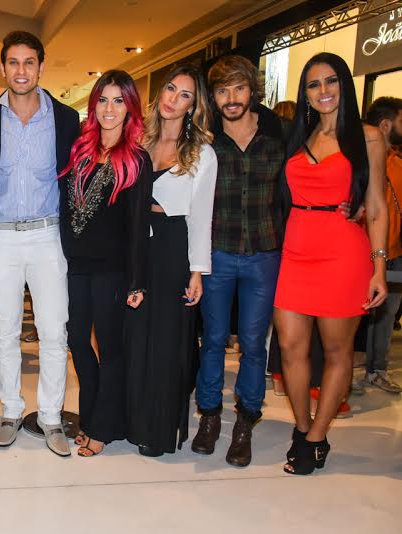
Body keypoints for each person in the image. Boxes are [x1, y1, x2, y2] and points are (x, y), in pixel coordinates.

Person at [275, 53, 388, 475]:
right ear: (304, 93)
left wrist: (379, 268)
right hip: (295, 249)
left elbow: (376, 207)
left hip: (343, 252)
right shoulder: (297, 136)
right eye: (313, 84)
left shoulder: (368, 137)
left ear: (345, 85)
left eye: (331, 81)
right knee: (290, 346)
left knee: (338, 351)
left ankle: (317, 437)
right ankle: (303, 426)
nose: (323, 91)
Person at [0, 31, 80, 457]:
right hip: (0, 236)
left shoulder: (66, 118)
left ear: (41, 66)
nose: (21, 71)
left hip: (48, 235)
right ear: (3, 68)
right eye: (13, 62)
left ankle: (50, 416)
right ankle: (11, 410)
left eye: (29, 62)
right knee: (6, 331)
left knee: (54, 330)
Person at [193, 55, 284, 467]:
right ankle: (210, 416)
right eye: (222, 90)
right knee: (213, 339)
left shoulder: (277, 137)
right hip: (217, 254)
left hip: (264, 254)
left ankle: (246, 420)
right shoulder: (205, 142)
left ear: (252, 90)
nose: (231, 98)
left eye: (239, 88)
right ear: (213, 96)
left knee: (252, 342)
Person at [59, 70, 152, 457]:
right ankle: (92, 414)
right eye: (102, 100)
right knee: (77, 341)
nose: (109, 109)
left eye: (118, 101)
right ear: (93, 104)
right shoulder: (79, 150)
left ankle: (102, 426)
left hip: (112, 268)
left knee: (110, 349)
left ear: (130, 108)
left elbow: (138, 226)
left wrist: (137, 280)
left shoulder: (137, 159)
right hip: (75, 265)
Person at [127, 64, 217, 457]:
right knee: (134, 338)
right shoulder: (138, 142)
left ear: (193, 106)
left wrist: (197, 271)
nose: (173, 99)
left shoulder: (202, 153)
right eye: (169, 89)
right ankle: (133, 422)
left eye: (185, 95)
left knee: (166, 343)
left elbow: (201, 217)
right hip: (137, 245)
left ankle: (159, 430)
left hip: (172, 248)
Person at [355, 96, 402, 395]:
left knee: (386, 317)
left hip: (393, 253)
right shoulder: (358, 163)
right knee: (354, 317)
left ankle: (377, 370)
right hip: (360, 253)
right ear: (385, 125)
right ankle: (345, 373)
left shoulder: (397, 164)